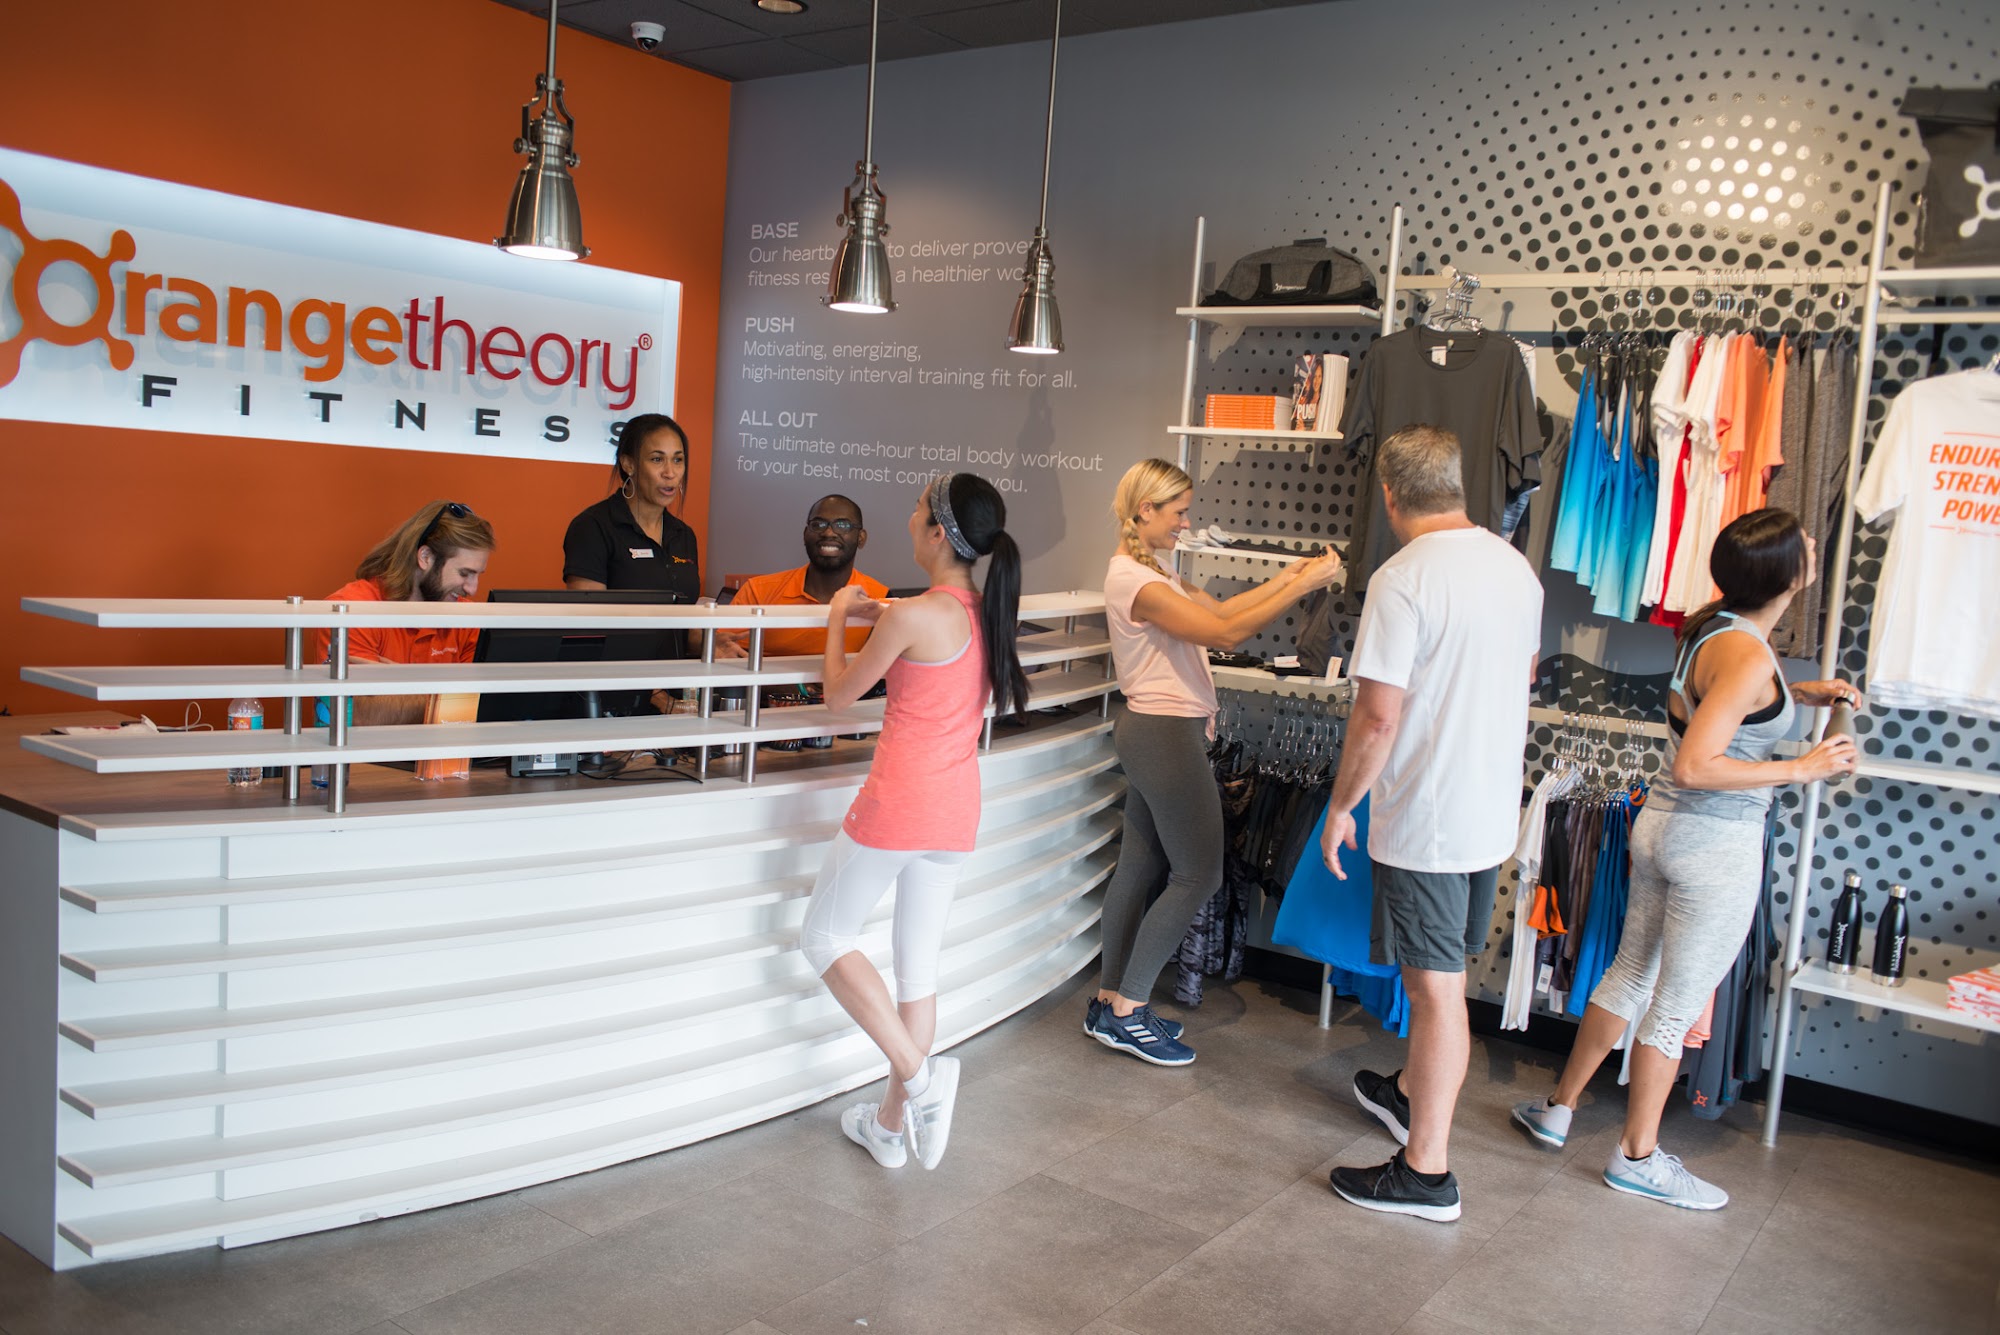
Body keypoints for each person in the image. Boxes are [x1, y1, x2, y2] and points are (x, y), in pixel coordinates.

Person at [1510, 508, 1859, 1210]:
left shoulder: (1714, 627)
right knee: (1672, 1010)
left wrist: (1799, 696)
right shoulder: (1749, 655)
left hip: (1662, 830)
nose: (1814, 547)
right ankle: (1637, 1158)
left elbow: (1726, 701)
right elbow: (1697, 763)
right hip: (1714, 844)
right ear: (1788, 575)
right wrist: (1803, 767)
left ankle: (1558, 1109)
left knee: (1630, 973)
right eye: (1806, 545)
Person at [1320, 425, 1543, 1225]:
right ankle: (1408, 1091)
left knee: (1436, 990)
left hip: (1430, 816)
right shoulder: (1515, 569)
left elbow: (1378, 717)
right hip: (1488, 810)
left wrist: (1341, 806)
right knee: (1443, 973)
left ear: (1389, 494)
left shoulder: (1403, 578)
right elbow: (1519, 679)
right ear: (1456, 481)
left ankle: (1426, 1172)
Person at [798, 473, 1028, 1173]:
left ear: (937, 533)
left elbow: (838, 695)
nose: (909, 516)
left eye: (918, 508)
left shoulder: (911, 617)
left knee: (823, 935)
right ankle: (890, 1128)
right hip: (955, 812)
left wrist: (839, 614)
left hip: (897, 805)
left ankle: (922, 1081)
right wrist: (883, 612)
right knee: (916, 974)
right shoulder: (986, 612)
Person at [1087, 459, 1343, 1065]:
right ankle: (1128, 1011)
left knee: (1140, 867)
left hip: (1156, 732)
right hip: (1164, 734)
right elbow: (1223, 635)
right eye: (1178, 512)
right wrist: (1300, 586)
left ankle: (1108, 1002)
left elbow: (1225, 614)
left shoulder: (1156, 571)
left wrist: (1290, 577)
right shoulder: (1136, 582)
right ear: (1145, 510)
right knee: (1199, 873)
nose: (1186, 522)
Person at [315, 500, 496, 726]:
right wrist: (449, 696)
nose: (472, 589)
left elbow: (486, 706)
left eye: (477, 575)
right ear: (425, 557)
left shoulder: (467, 618)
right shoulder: (350, 610)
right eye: (464, 573)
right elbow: (360, 715)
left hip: (447, 749)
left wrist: (405, 682)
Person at [726, 494, 889, 658]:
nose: (828, 533)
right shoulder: (757, 592)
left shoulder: (881, 600)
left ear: (861, 538)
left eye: (842, 525)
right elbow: (724, 649)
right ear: (805, 534)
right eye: (818, 524)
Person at [562, 413, 701, 602]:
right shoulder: (592, 527)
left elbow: (688, 612)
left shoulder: (684, 535)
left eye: (678, 460)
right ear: (628, 464)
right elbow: (587, 615)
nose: (670, 473)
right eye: (657, 459)